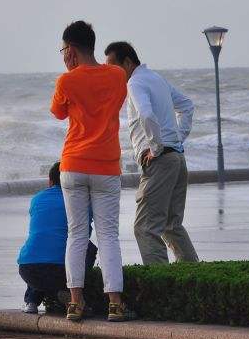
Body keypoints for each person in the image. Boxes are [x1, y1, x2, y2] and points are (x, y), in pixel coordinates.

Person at [51, 20, 135, 322]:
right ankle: (114, 303)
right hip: (106, 166)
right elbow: (116, 103)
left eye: (63, 49)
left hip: (73, 164)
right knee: (109, 235)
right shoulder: (116, 75)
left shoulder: (66, 81)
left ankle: (75, 302)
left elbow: (59, 112)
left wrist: (73, 72)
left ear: (70, 49)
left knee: (76, 234)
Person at [105, 41, 199, 265]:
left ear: (127, 62)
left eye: (112, 66)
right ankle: (193, 276)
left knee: (145, 227)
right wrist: (176, 139)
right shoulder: (156, 78)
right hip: (176, 157)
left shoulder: (135, 83)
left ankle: (160, 286)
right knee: (171, 225)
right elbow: (187, 106)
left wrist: (156, 146)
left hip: (160, 161)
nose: (110, 72)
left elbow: (147, 115)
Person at [17, 161, 97, 315]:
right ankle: (69, 291)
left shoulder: (37, 199)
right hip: (62, 272)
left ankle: (31, 302)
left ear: (50, 181)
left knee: (41, 244)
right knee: (87, 247)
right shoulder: (80, 201)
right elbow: (83, 234)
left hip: (28, 270)